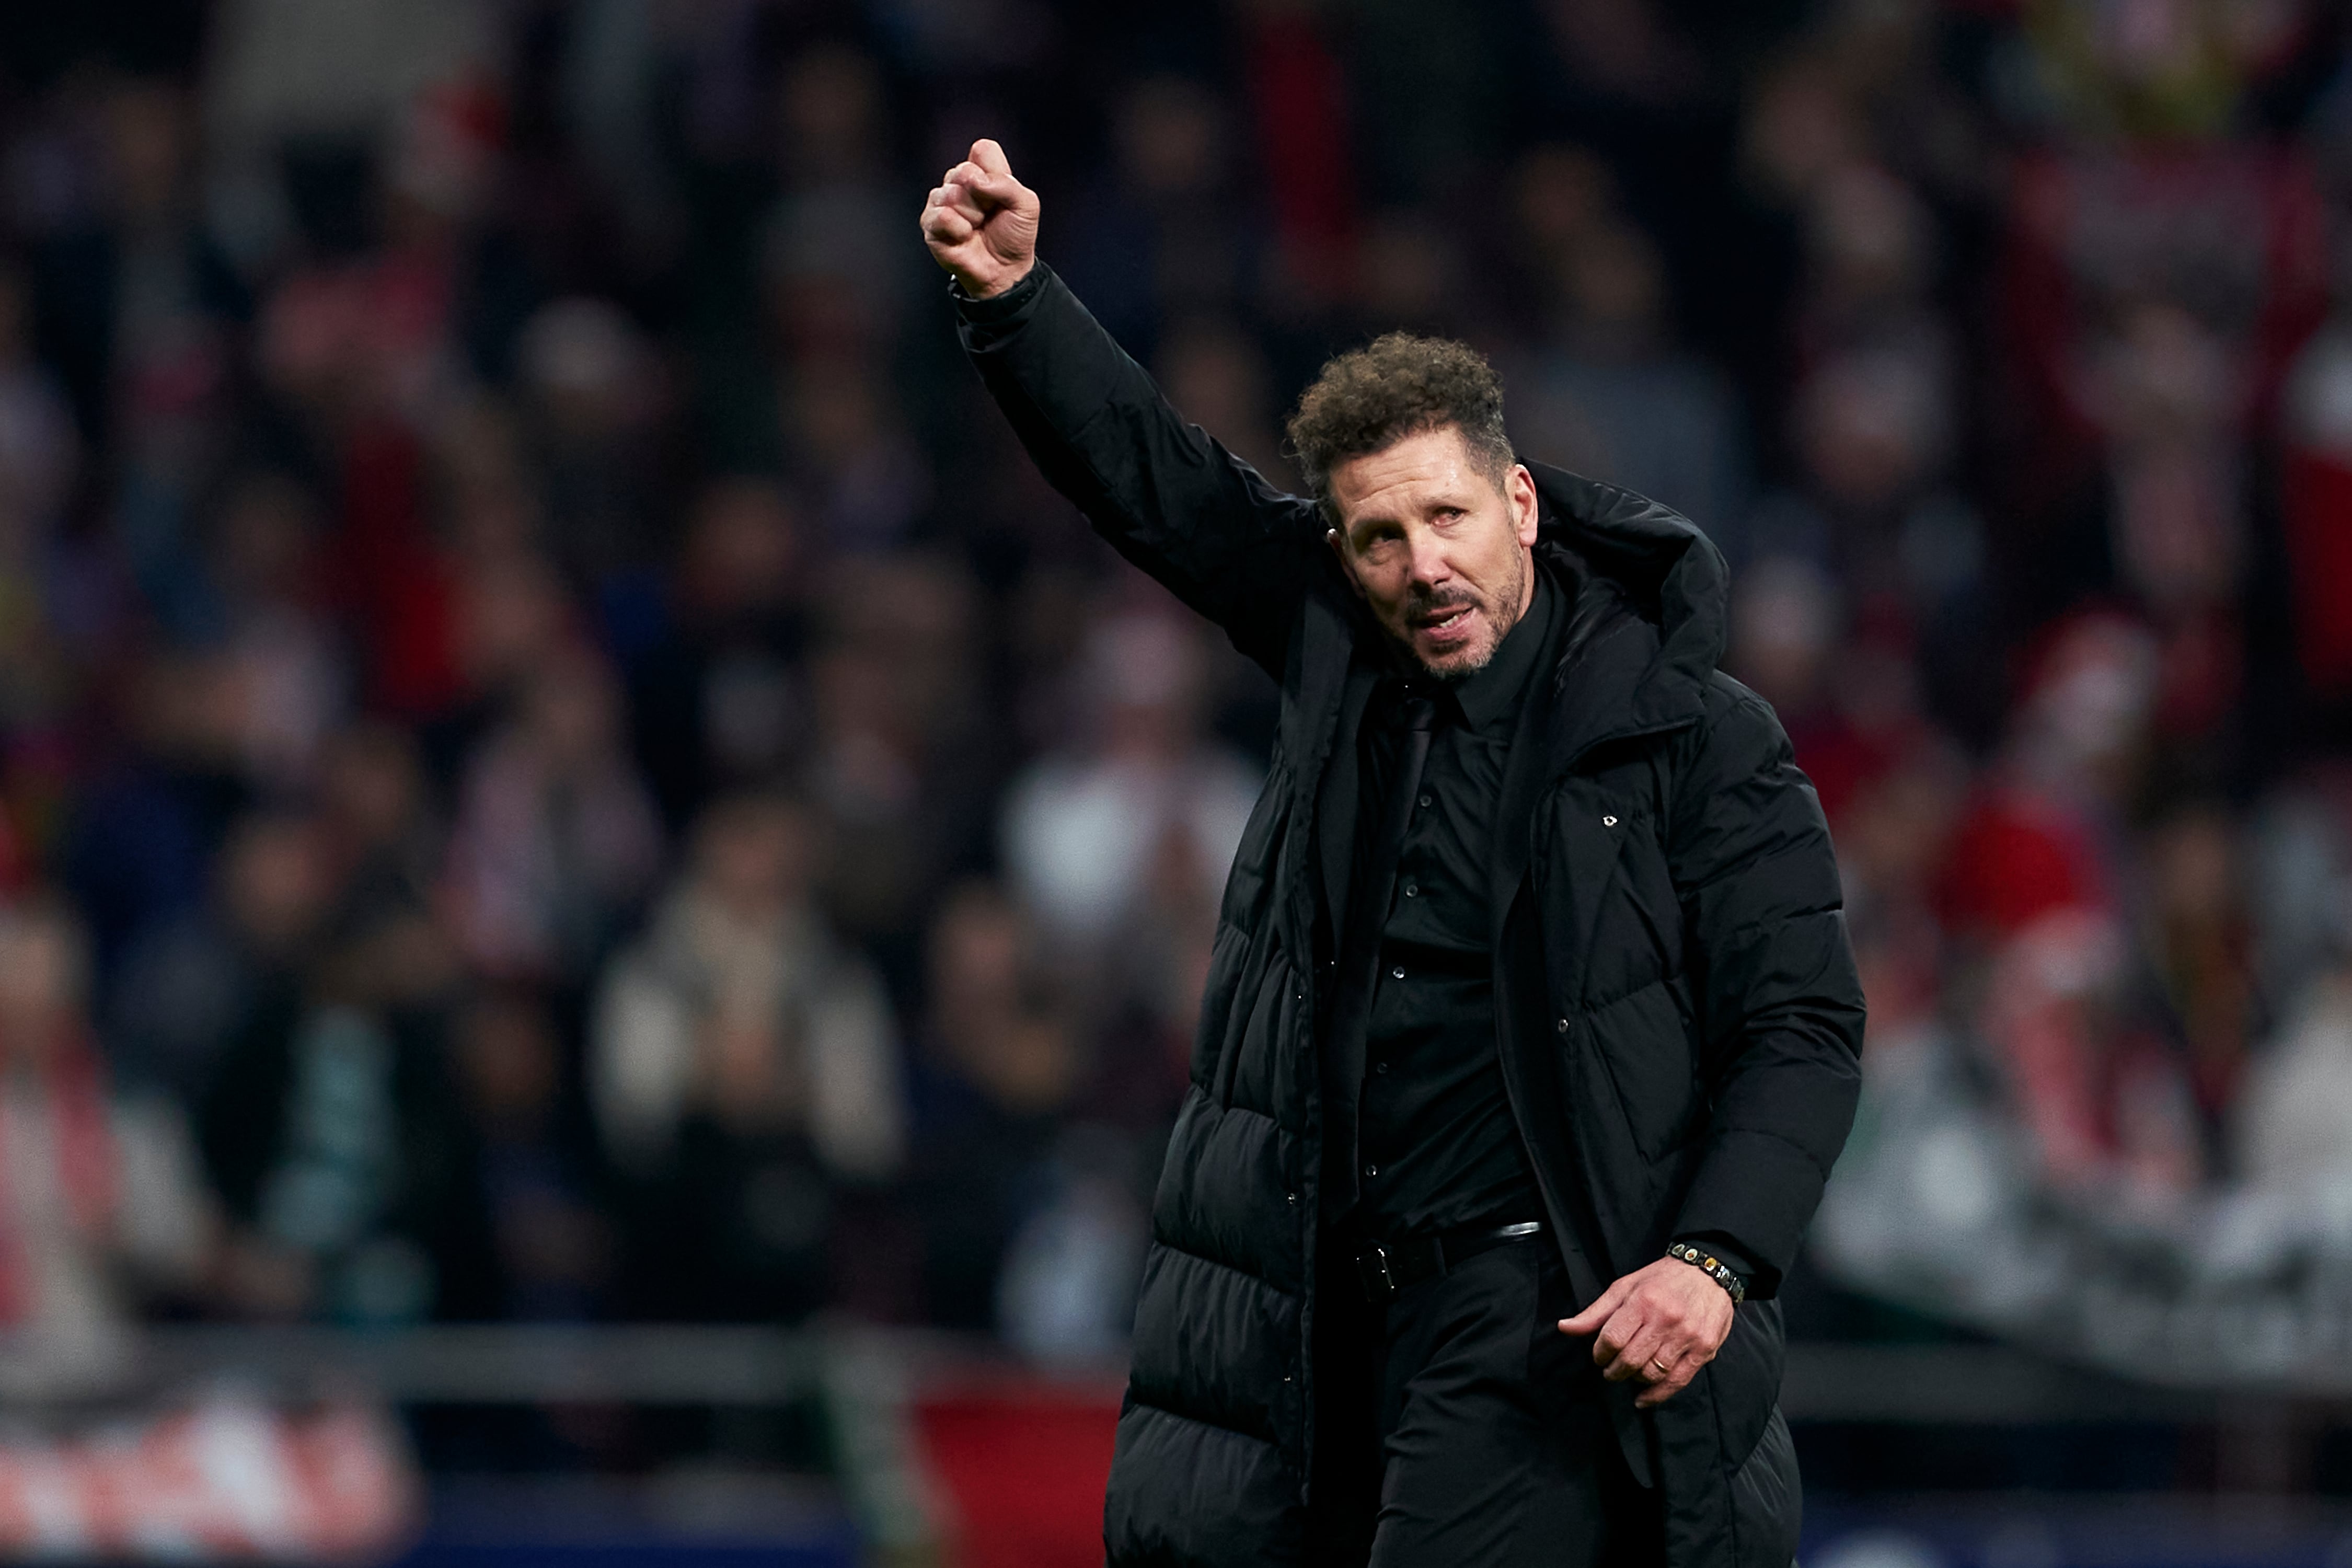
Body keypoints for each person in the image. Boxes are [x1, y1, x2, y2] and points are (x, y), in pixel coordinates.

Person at [920, 141, 1865, 1567]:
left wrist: (1716, 1260)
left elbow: (1799, 1023)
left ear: (1522, 508)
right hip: (1320, 1321)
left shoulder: (1695, 737)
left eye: (1447, 517)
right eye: (1376, 538)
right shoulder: (1336, 656)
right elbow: (1166, 490)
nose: (1420, 563)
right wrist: (1013, 305)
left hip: (1542, 1311)